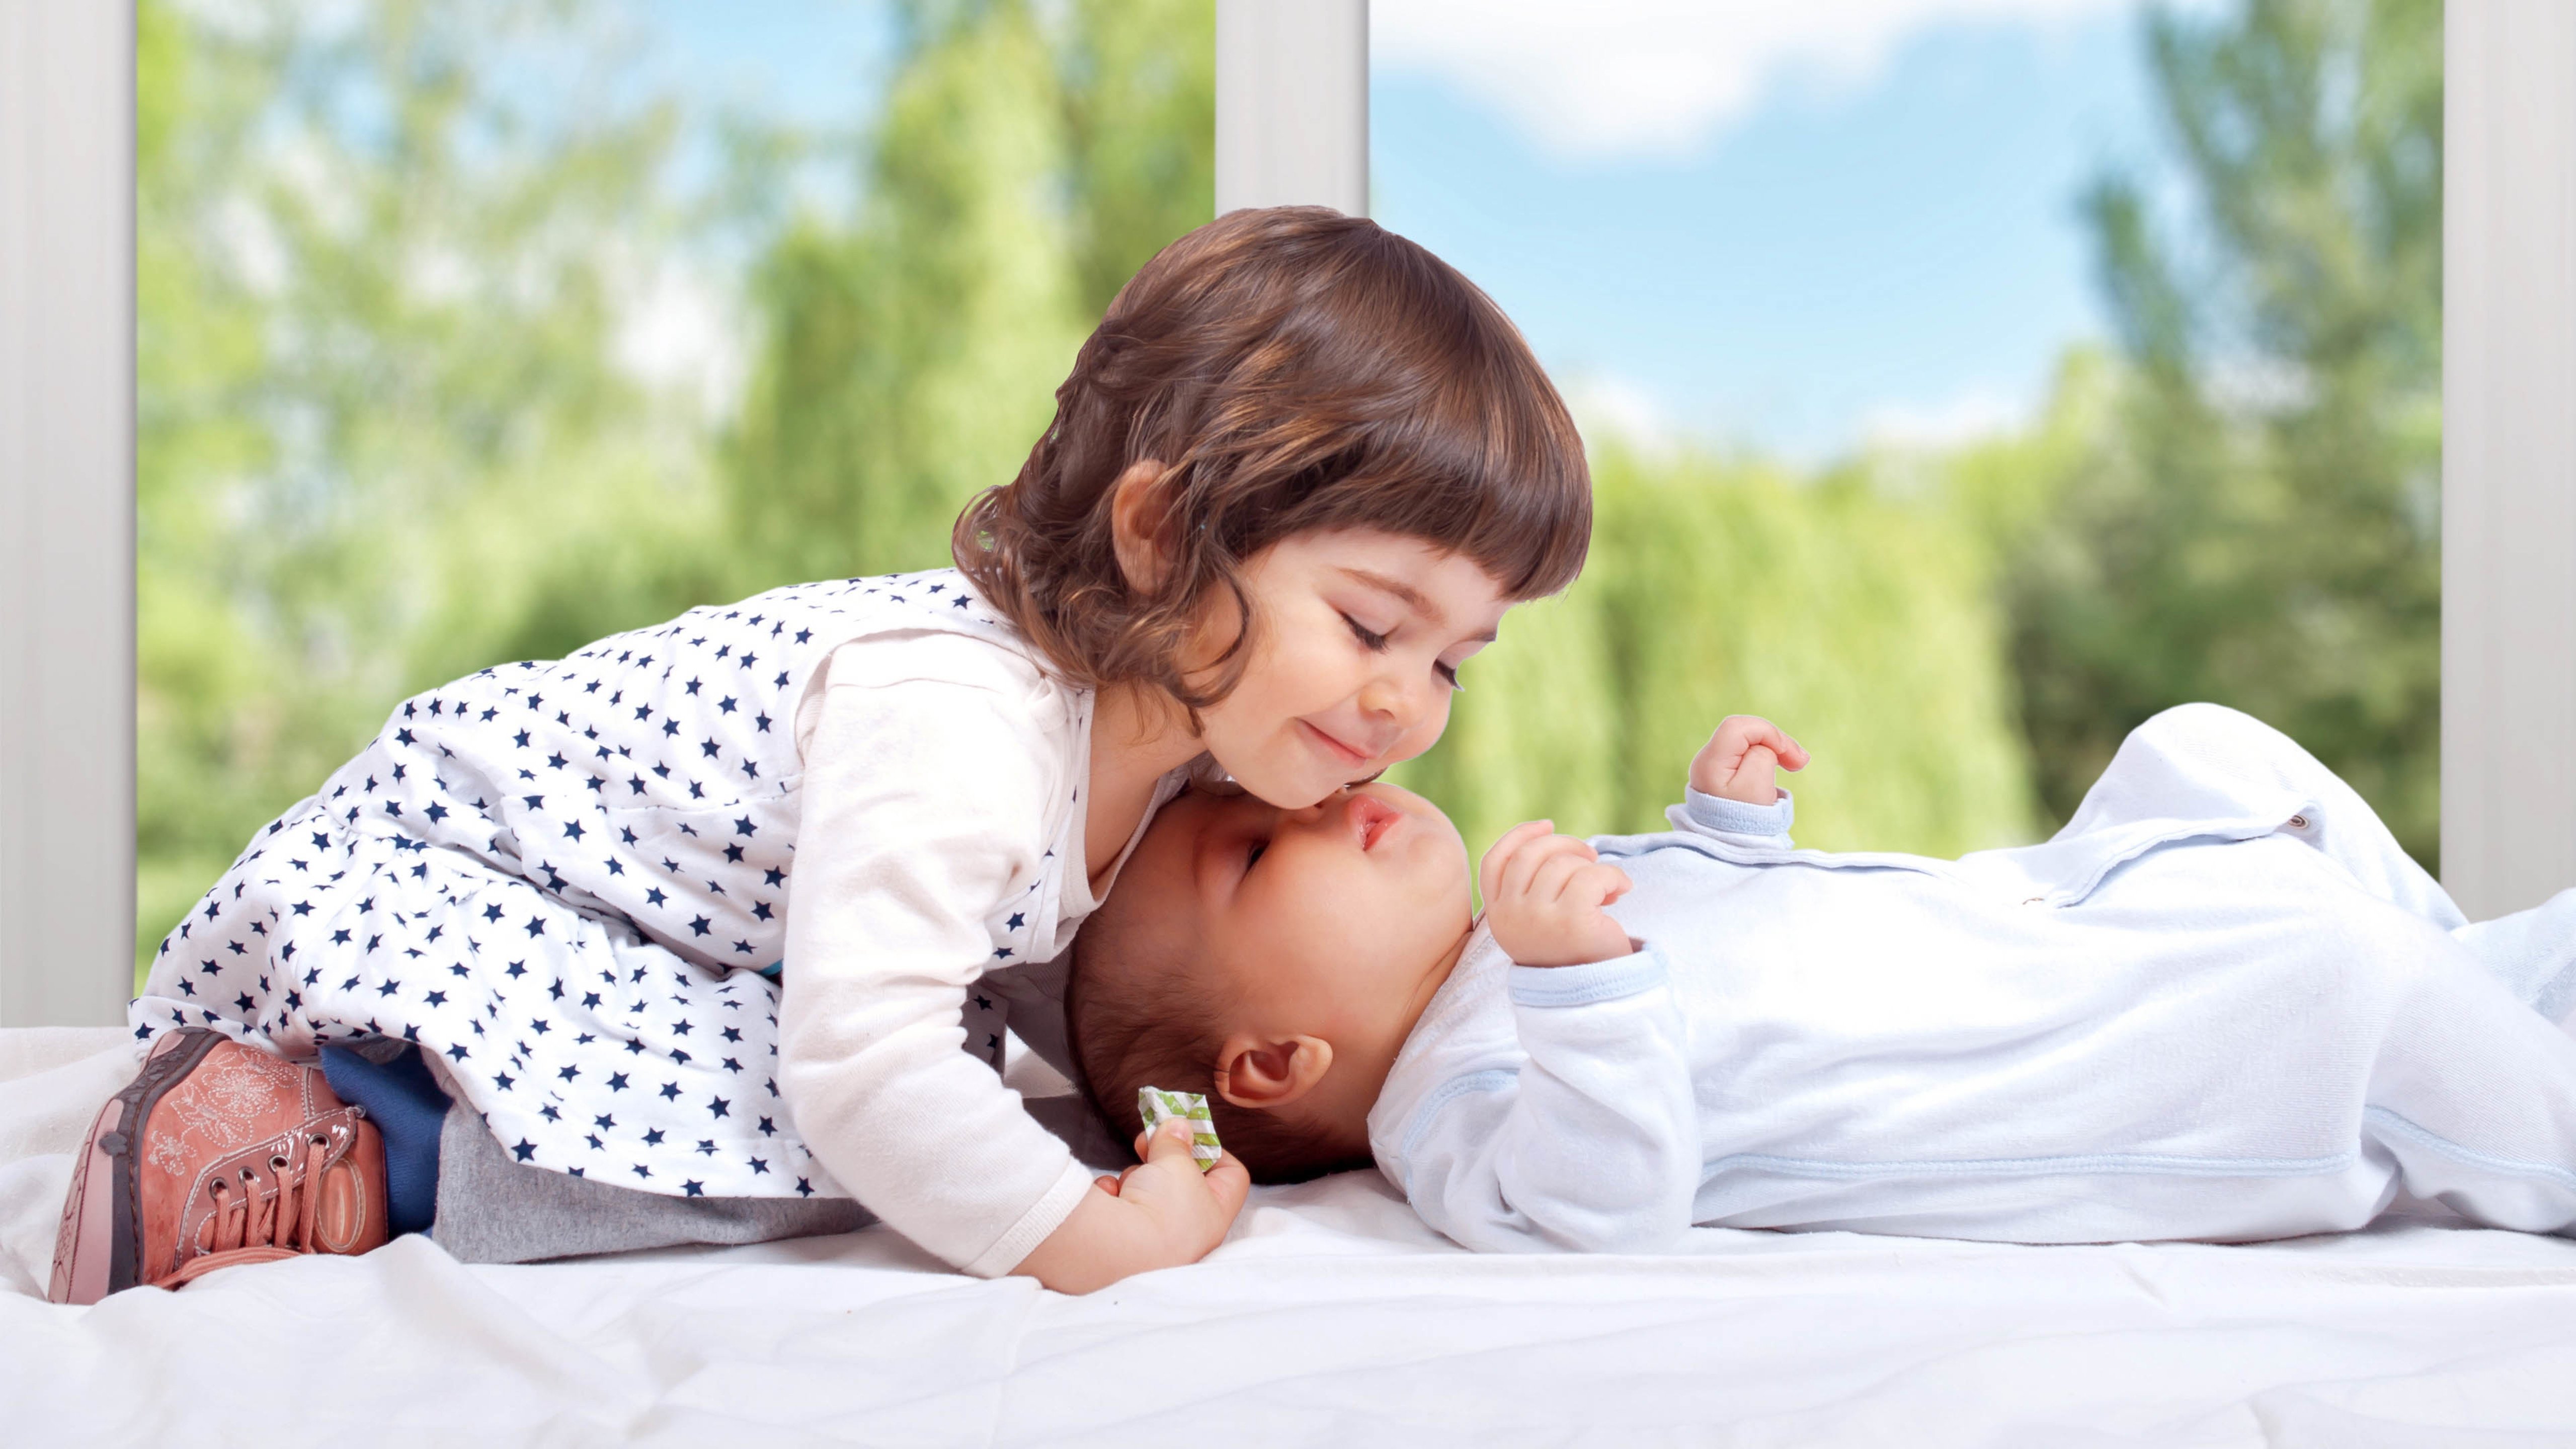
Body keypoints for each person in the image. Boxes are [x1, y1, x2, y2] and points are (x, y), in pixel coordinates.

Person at [56, 206, 1592, 1303]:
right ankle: (337, 1137)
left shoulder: (1177, 751)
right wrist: (1089, 1238)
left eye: (1455, 659)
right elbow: (865, 1069)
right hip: (444, 894)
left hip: (619, 941)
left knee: (958, 1105)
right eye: (1375, 623)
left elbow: (1122, 1009)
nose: (1408, 707)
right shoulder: (966, 721)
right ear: (1162, 536)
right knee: (859, 1132)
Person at [1069, 703, 2576, 1255]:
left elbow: (1763, 948)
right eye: (1263, 859)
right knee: (2358, 987)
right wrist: (1578, 988)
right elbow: (1607, 1203)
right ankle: (2504, 1071)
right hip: (2172, 1042)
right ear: (1273, 1064)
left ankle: (2476, 975)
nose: (1323, 804)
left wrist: (1726, 835)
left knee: (2203, 749)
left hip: (2070, 919)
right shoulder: (1455, 1100)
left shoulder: (1510, 934)